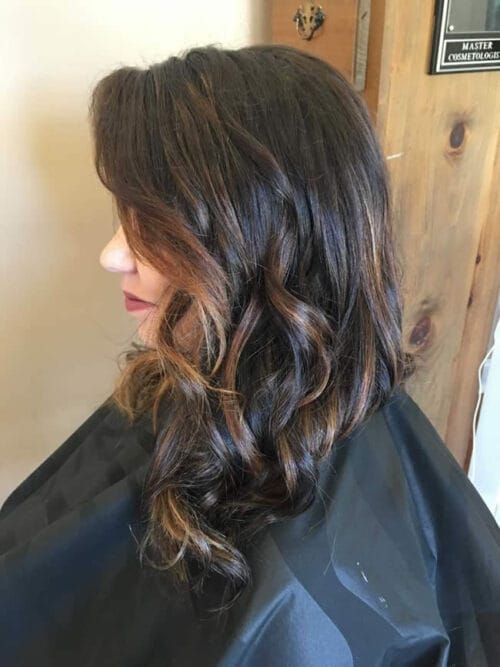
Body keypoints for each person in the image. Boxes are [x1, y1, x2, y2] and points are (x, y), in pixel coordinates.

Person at [1, 44, 499, 667]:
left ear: (265, 240)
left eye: (152, 224)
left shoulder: (294, 598)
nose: (112, 255)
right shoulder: (187, 383)